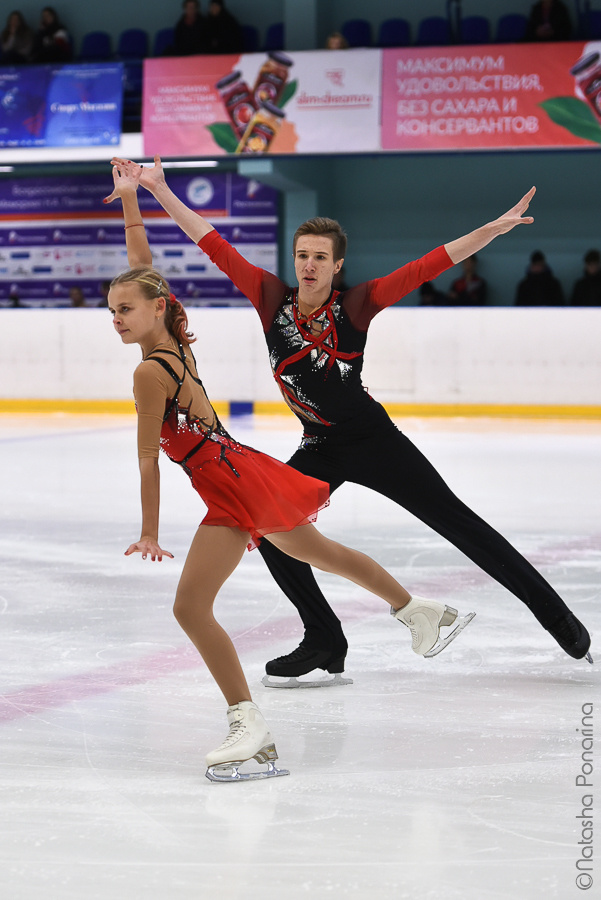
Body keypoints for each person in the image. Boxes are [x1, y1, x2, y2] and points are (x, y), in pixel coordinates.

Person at [115, 155, 593, 686]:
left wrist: (493, 229)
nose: (310, 265)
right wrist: (156, 188)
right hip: (319, 445)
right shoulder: (272, 299)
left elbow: (429, 265)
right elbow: (211, 241)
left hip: (374, 440)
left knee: (458, 522)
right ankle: (324, 637)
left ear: (338, 265)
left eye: (321, 257)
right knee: (270, 531)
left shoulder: (357, 306)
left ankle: (558, 619)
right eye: (302, 256)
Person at [103, 159, 476, 780]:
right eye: (110, 309)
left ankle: (248, 726)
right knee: (320, 552)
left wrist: (150, 530)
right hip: (242, 470)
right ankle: (418, 611)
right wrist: (130, 202)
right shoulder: (172, 337)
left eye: (122, 309)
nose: (114, 317)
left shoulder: (148, 370)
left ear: (153, 308)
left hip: (229, 484)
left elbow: (147, 459)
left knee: (192, 609)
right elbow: (144, 273)